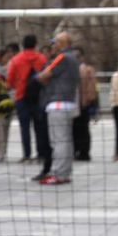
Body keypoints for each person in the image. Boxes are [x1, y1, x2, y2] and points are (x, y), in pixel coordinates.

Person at [36, 32, 79, 186]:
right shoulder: (73, 58)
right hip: (69, 102)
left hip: (58, 103)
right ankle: (65, 173)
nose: (53, 46)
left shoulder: (62, 57)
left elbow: (43, 75)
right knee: (66, 140)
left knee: (58, 141)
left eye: (55, 43)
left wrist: (41, 77)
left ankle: (57, 173)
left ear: (61, 43)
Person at [7, 34, 48, 169]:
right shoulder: (41, 58)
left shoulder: (16, 59)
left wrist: (17, 85)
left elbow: (10, 81)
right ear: (35, 44)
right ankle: (41, 153)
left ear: (23, 45)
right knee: (39, 127)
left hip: (21, 97)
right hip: (38, 97)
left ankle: (27, 154)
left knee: (24, 127)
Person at [73, 50, 98, 161]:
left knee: (82, 128)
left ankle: (83, 151)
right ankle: (79, 150)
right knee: (78, 129)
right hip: (77, 103)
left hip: (82, 103)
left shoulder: (88, 70)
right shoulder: (77, 69)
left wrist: (89, 99)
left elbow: (92, 87)